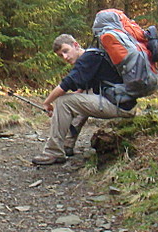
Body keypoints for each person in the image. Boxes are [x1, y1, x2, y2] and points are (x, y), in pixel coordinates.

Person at [31, 34, 136, 166]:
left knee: (63, 101)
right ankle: (67, 144)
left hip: (119, 105)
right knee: (77, 97)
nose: (64, 57)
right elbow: (82, 88)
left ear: (76, 45)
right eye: (60, 55)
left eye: (65, 51)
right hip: (123, 102)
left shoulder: (88, 58)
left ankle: (53, 152)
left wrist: (47, 103)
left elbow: (65, 85)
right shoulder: (95, 55)